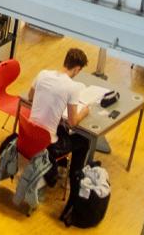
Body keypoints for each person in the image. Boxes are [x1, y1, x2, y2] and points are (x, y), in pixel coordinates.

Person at [28, 47, 96, 197]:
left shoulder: (43, 73)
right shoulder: (72, 87)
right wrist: (84, 111)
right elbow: (72, 122)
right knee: (83, 141)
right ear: (77, 69)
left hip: (29, 134)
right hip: (48, 144)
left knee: (61, 129)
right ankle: (74, 181)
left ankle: (60, 165)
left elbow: (30, 97)